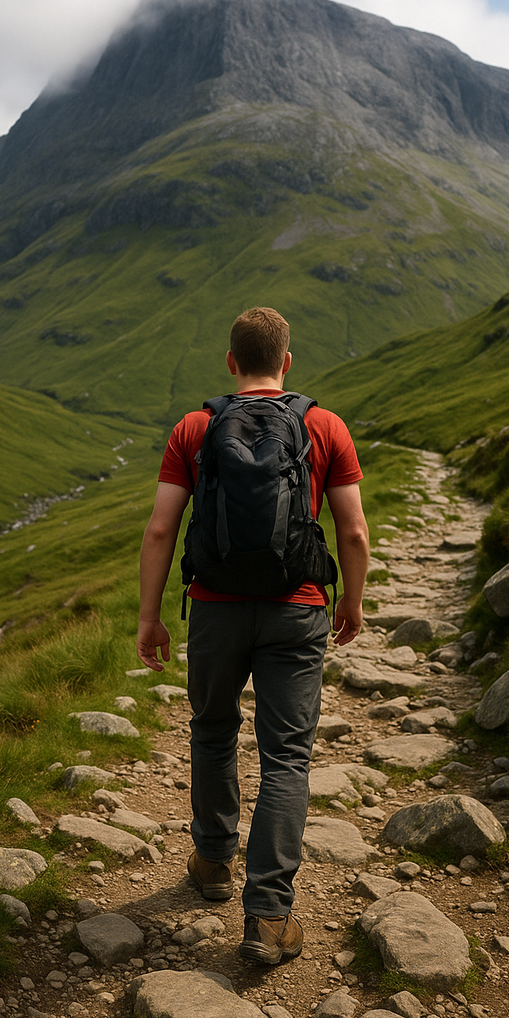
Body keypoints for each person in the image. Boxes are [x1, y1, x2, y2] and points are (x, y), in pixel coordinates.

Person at [136, 306, 369, 964]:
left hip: (214, 607)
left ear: (231, 362)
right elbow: (351, 530)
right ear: (287, 362)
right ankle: (268, 918)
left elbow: (160, 530)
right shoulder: (324, 425)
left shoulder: (195, 427)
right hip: (297, 609)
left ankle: (212, 863)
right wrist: (352, 599)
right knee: (287, 756)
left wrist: (150, 616)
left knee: (212, 731)